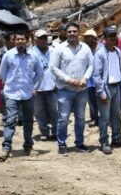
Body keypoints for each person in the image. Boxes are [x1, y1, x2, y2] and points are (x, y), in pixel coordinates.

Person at [0, 31, 43, 162]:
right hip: (11, 93)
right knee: (10, 121)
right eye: (17, 39)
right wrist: (8, 84)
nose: (20, 42)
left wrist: (33, 86)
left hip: (27, 94)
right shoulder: (8, 55)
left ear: (27, 40)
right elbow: (3, 73)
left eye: (22, 39)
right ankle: (6, 148)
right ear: (14, 41)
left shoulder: (33, 56)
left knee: (28, 122)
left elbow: (40, 73)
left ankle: (28, 146)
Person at [50, 23, 94, 155]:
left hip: (81, 90)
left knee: (80, 118)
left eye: (75, 31)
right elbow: (53, 67)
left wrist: (85, 79)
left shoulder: (85, 48)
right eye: (70, 31)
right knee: (63, 118)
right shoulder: (59, 48)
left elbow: (91, 66)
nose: (72, 34)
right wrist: (68, 79)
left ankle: (79, 143)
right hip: (65, 89)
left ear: (79, 33)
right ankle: (62, 144)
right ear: (66, 33)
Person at [93, 26, 121, 155]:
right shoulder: (100, 54)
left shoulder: (118, 52)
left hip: (117, 86)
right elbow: (97, 75)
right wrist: (101, 91)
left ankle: (117, 139)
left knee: (116, 115)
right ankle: (104, 142)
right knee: (105, 117)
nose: (113, 38)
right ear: (105, 38)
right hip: (106, 88)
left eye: (114, 36)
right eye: (110, 36)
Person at [31, 29, 58, 141]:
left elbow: (59, 67)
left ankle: (56, 132)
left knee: (55, 111)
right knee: (39, 112)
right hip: (37, 87)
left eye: (44, 38)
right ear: (35, 40)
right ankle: (44, 132)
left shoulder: (54, 51)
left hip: (53, 86)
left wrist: (58, 82)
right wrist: (31, 87)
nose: (43, 40)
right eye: (40, 38)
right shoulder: (31, 52)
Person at [83, 29, 100, 127]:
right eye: (85, 37)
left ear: (93, 38)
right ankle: (94, 118)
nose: (86, 39)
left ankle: (105, 118)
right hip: (89, 79)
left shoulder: (101, 48)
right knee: (91, 100)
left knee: (103, 99)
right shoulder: (85, 49)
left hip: (100, 78)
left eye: (88, 37)